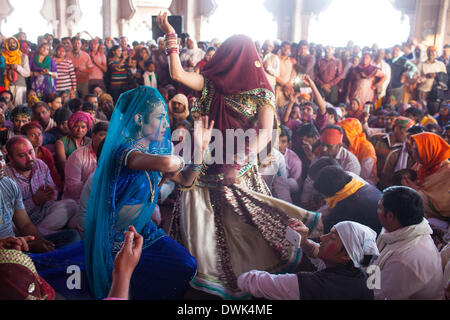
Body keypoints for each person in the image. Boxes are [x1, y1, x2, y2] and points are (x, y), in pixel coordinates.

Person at [157, 12, 322, 299]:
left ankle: (249, 281)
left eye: (227, 54)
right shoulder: (211, 84)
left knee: (242, 229)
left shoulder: (262, 93)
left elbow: (264, 133)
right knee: (202, 231)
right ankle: (210, 285)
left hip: (238, 170)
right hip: (204, 166)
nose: (222, 59)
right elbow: (177, 74)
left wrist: (238, 162)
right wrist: (171, 35)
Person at [84, 86, 212, 299]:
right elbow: (168, 162)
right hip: (117, 238)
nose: (165, 124)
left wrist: (199, 150)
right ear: (138, 119)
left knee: (186, 266)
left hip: (145, 230)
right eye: (159, 118)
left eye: (165, 118)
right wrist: (174, 163)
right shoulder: (124, 151)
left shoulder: (155, 153)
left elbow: (187, 179)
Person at [238, 220, 379, 300]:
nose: (323, 237)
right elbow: (318, 255)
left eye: (332, 238)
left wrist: (240, 273)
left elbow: (252, 281)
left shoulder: (313, 285)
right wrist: (304, 242)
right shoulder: (363, 274)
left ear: (346, 256)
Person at [373, 186, 444, 300]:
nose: (377, 211)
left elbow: (380, 296)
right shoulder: (405, 227)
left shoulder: (404, 259)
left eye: (380, 208)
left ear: (390, 216)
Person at [4, 137, 79, 243]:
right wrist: (35, 201)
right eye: (22, 155)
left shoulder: (40, 165)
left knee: (71, 205)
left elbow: (53, 191)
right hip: (19, 224)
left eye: (31, 152)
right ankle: (44, 236)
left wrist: (51, 194)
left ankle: (39, 234)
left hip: (44, 216)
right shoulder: (5, 177)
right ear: (10, 158)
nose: (29, 158)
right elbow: (9, 213)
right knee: (8, 227)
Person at [314, 165, 382, 235]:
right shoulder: (360, 185)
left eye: (324, 196)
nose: (325, 200)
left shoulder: (344, 207)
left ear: (330, 193)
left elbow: (324, 231)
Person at [401, 132, 450, 220]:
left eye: (417, 150)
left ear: (429, 150)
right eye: (413, 149)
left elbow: (443, 206)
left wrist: (415, 191)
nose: (413, 153)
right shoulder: (422, 165)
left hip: (437, 220)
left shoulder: (447, 172)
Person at [62, 121, 108, 203]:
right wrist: (95, 183)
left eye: (110, 136)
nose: (107, 139)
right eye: (102, 135)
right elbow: (73, 189)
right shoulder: (78, 156)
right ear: (93, 136)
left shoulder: (111, 156)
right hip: (77, 203)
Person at [21, 122, 63, 193]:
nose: (38, 138)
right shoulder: (21, 155)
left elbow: (53, 173)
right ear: (24, 137)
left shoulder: (45, 152)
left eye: (39, 134)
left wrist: (58, 189)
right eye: (33, 135)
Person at [338, 117, 378, 185]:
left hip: (364, 182)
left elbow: (364, 175)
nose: (341, 135)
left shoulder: (367, 148)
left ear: (352, 133)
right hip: (347, 177)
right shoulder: (344, 144)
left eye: (345, 132)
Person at [54, 111, 92, 175]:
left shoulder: (90, 142)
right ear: (71, 126)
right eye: (76, 126)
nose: (80, 130)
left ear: (87, 129)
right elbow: (64, 167)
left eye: (83, 127)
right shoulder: (61, 143)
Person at [2, 37, 30, 106]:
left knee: (19, 109)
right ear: (6, 44)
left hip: (20, 87)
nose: (12, 44)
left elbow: (27, 73)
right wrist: (6, 68)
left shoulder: (23, 56)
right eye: (10, 43)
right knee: (7, 107)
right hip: (7, 87)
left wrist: (17, 67)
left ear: (17, 44)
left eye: (14, 42)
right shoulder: (3, 56)